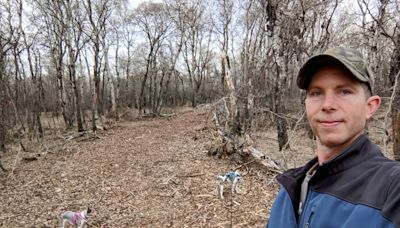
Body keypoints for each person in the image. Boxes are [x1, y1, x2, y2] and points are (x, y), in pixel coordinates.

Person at [267, 47, 400, 228]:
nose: (328, 105)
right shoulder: (289, 190)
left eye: (344, 91)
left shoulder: (391, 189)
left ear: (370, 106)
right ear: (306, 105)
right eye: (316, 93)